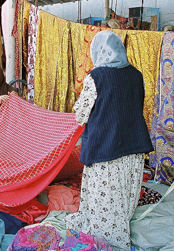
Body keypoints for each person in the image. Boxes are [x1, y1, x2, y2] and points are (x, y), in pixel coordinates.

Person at [63, 31, 153, 250]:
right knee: (124, 192)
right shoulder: (136, 74)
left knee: (105, 199)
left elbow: (81, 115)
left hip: (106, 147)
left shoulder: (96, 77)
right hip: (133, 145)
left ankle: (110, 237)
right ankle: (119, 222)